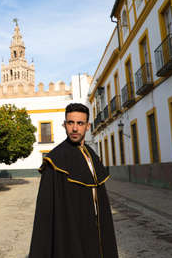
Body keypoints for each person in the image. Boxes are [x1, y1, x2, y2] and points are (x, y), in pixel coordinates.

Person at [29, 103, 118, 258]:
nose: (75, 128)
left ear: (87, 126)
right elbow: (45, 215)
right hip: (71, 231)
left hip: (96, 229)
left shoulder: (91, 154)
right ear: (65, 125)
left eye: (80, 123)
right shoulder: (54, 160)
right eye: (71, 123)